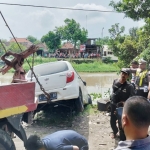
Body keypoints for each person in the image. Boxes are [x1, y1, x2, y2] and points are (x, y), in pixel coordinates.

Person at [110, 68, 135, 139]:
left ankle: (122, 135)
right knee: (112, 120)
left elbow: (132, 97)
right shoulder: (115, 81)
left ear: (128, 76)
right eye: (122, 73)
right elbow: (113, 92)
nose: (123, 75)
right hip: (114, 104)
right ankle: (114, 132)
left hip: (122, 106)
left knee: (122, 121)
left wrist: (125, 102)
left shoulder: (129, 86)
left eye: (125, 74)